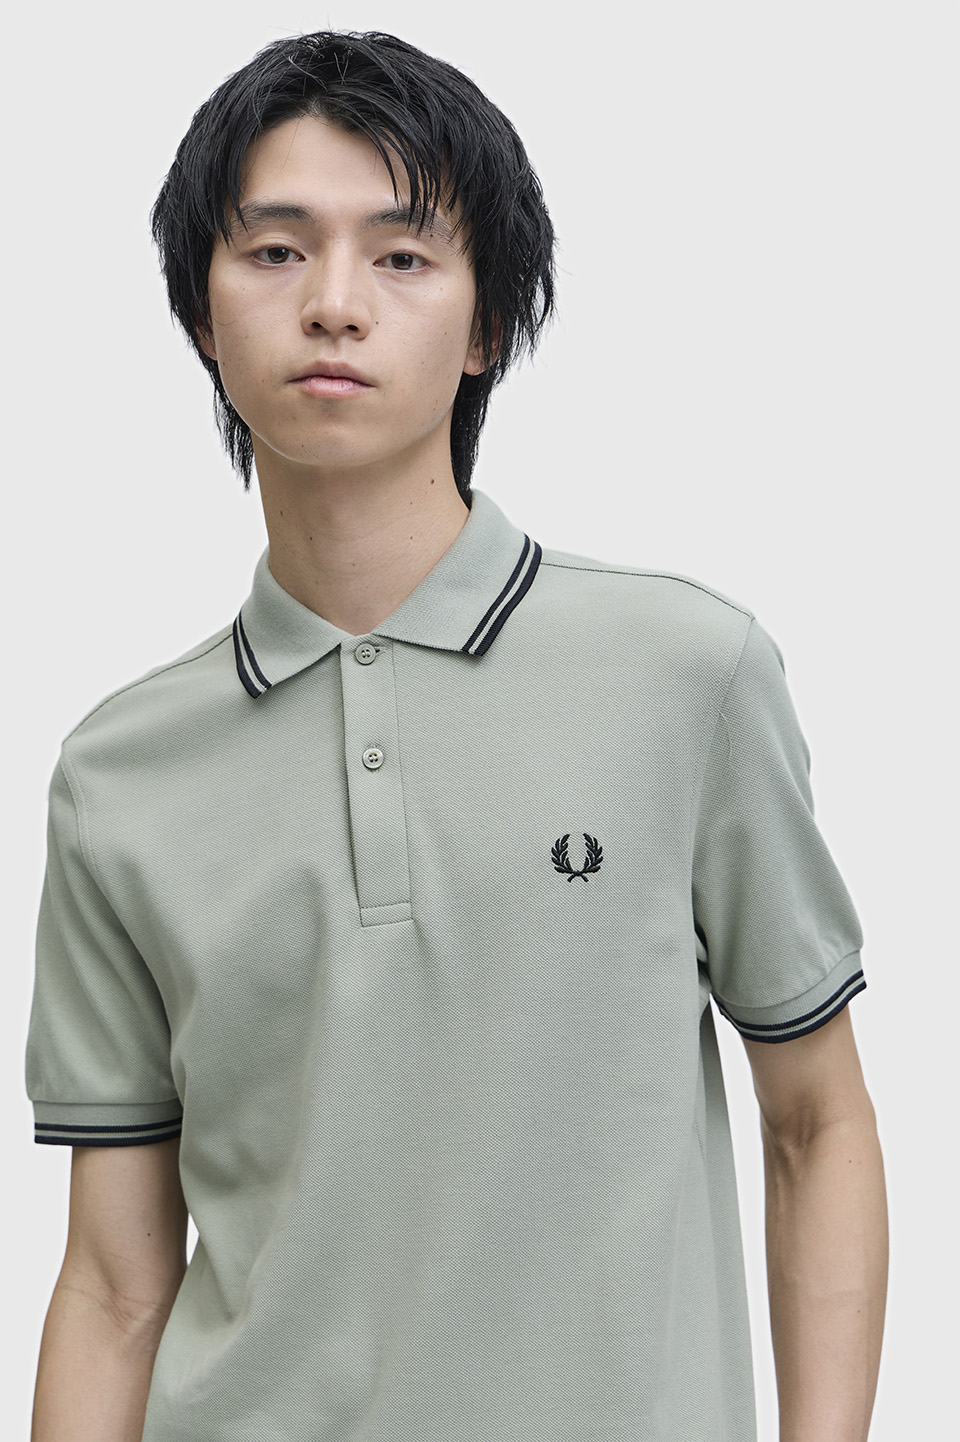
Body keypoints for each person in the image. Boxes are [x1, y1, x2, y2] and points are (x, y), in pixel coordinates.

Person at [25, 29, 888, 1442]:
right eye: (276, 251)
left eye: (404, 255)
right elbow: (115, 1284)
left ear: (488, 326)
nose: (335, 305)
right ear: (202, 314)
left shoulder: (688, 675)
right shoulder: (119, 776)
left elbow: (818, 1124)